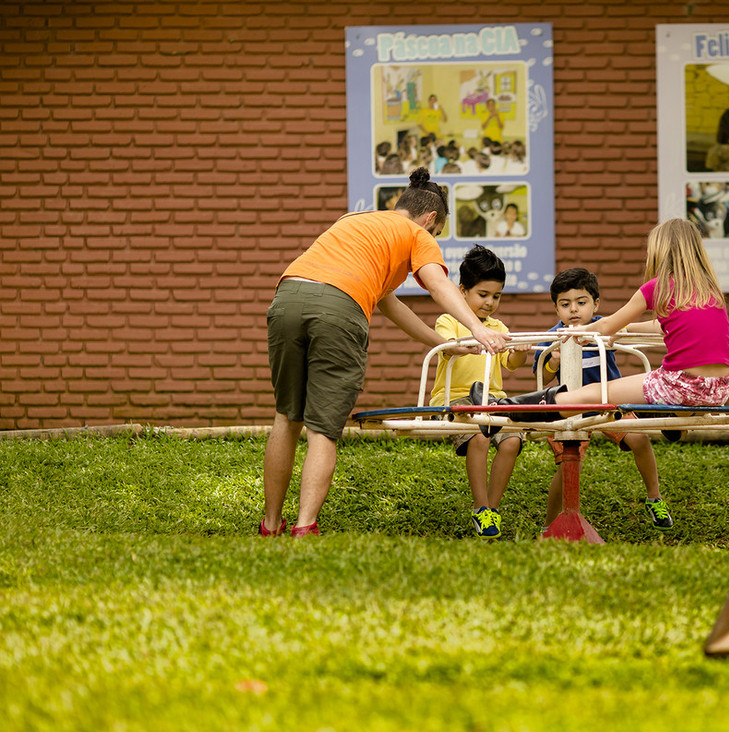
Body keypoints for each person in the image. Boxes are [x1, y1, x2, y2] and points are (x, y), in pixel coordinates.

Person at [260, 168, 508, 538]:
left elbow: (390, 305)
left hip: (288, 295)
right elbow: (438, 284)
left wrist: (441, 343)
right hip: (338, 309)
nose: (433, 237)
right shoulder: (415, 234)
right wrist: (477, 327)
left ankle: (269, 525)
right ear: (430, 219)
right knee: (323, 430)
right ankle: (304, 527)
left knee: (286, 418)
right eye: (437, 232)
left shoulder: (356, 220)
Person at [471, 217, 729, 436]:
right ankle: (662, 408)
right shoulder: (709, 291)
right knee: (633, 387)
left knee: (593, 394)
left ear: (660, 251)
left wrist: (577, 332)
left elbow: (607, 323)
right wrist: (628, 330)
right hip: (720, 387)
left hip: (681, 384)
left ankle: (500, 409)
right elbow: (664, 326)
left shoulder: (658, 287)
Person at [531, 268, 672, 530]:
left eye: (581, 302)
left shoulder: (604, 329)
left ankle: (655, 497)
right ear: (556, 308)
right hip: (570, 410)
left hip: (608, 403)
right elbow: (543, 375)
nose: (573, 310)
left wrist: (617, 335)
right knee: (567, 463)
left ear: (595, 304)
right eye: (565, 304)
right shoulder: (555, 336)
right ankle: (550, 524)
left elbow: (625, 334)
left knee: (639, 439)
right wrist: (553, 359)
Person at [429, 245, 530, 540]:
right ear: (462, 291)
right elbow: (448, 346)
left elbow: (510, 363)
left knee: (511, 441)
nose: (489, 303)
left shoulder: (498, 326)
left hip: (491, 397)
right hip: (456, 398)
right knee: (479, 434)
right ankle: (480, 506)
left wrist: (520, 352)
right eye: (482, 295)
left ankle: (492, 509)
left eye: (496, 296)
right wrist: (468, 343)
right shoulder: (449, 320)